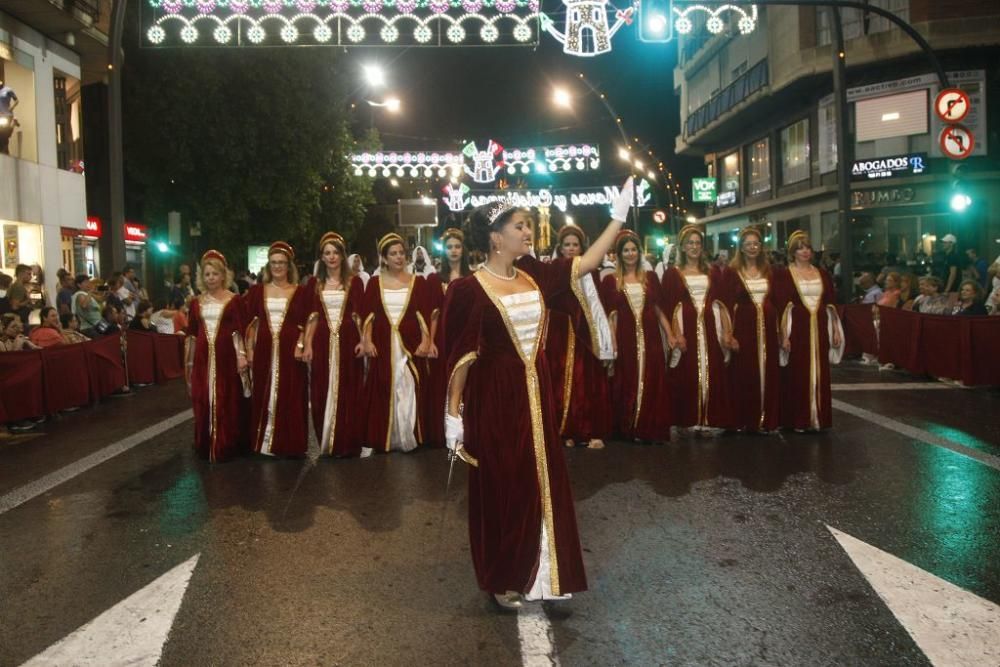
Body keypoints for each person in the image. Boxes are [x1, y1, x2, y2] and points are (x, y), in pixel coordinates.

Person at [443, 179, 634, 610]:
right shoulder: (468, 290)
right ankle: (501, 577)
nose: (528, 233)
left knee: (540, 485)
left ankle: (544, 573)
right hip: (496, 402)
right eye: (520, 226)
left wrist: (617, 218)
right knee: (504, 487)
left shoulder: (535, 274)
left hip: (537, 398)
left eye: (528, 226)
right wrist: (453, 415)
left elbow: (585, 263)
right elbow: (462, 358)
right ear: (496, 237)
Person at [360, 233, 432, 453]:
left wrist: (426, 340)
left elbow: (424, 315)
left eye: (401, 252)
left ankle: (409, 435)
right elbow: (368, 315)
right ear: (384, 258)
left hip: (408, 343)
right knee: (385, 387)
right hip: (383, 343)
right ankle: (388, 437)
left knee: (409, 385)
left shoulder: (417, 281)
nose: (399, 257)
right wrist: (367, 340)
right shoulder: (374, 283)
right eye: (393, 253)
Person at [546, 225, 615, 449]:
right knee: (562, 380)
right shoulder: (555, 269)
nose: (571, 248)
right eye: (567, 245)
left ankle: (591, 430)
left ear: (581, 247)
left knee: (587, 381)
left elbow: (598, 306)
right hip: (561, 333)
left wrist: (605, 336)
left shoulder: (591, 272)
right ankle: (567, 430)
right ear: (561, 247)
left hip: (587, 334)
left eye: (575, 244)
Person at [601, 229, 673, 442]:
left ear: (639, 252)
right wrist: (612, 341)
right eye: (626, 250)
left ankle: (650, 426)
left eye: (633, 249)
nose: (630, 254)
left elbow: (659, 310)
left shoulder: (650, 278)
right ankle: (630, 427)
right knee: (628, 379)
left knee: (653, 379)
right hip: (626, 338)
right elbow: (611, 316)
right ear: (619, 254)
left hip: (651, 337)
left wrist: (669, 334)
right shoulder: (611, 280)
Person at [662, 225, 732, 433]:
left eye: (697, 243)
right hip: (687, 329)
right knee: (687, 372)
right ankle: (689, 418)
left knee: (713, 369)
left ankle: (710, 417)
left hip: (710, 328)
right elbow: (669, 306)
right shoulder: (673, 274)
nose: (694, 247)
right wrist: (676, 334)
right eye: (690, 243)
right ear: (682, 247)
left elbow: (722, 303)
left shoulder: (712, 272)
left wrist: (727, 331)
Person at [245, 242, 312, 457]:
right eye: (273, 263)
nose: (277, 267)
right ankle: (264, 442)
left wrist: (301, 344)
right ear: (268, 266)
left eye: (282, 263)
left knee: (291, 392)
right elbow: (251, 324)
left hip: (290, 349)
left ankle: (289, 443)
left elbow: (307, 321)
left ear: (289, 266)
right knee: (263, 391)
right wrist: (249, 349)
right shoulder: (257, 291)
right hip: (264, 348)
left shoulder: (300, 292)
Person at [302, 232, 366, 458]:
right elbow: (312, 317)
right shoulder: (314, 283)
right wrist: (307, 344)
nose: (331, 257)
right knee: (321, 388)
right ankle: (327, 441)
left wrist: (363, 340)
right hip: (321, 341)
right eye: (327, 253)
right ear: (322, 257)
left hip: (348, 339)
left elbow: (360, 314)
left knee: (350, 388)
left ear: (342, 255)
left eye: (335, 252)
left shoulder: (354, 282)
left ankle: (348, 441)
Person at [775, 231, 844, 432]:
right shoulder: (785, 274)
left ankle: (818, 418)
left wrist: (835, 330)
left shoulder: (822, 274)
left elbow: (830, 303)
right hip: (797, 329)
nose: (805, 251)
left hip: (820, 328)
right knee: (796, 373)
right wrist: (783, 334)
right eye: (800, 248)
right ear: (792, 252)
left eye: (807, 247)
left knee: (820, 371)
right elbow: (782, 306)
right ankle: (798, 419)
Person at [185, 250, 249, 462]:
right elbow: (192, 334)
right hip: (203, 356)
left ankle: (226, 442)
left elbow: (239, 330)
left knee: (226, 397)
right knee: (203, 397)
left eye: (214, 274)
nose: (211, 278)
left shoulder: (234, 300)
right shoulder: (196, 303)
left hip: (226, 356)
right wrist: (190, 361)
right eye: (207, 274)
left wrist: (241, 356)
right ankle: (206, 442)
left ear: (223, 275)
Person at [722, 226, 781, 433]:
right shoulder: (732, 272)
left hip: (767, 327)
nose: (752, 247)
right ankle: (743, 419)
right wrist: (728, 333)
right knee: (744, 373)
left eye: (756, 243)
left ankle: (765, 419)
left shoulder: (768, 270)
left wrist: (780, 330)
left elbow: (776, 300)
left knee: (767, 371)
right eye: (748, 244)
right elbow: (727, 304)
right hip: (744, 327)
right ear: (741, 247)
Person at [422, 228, 473, 448]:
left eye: (457, 246)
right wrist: (431, 341)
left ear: (464, 250)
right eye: (450, 247)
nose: (453, 251)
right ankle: (444, 431)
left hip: (467, 335)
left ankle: (469, 429)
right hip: (444, 337)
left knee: (468, 383)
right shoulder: (435, 279)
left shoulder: (472, 277)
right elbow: (432, 313)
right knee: (443, 380)